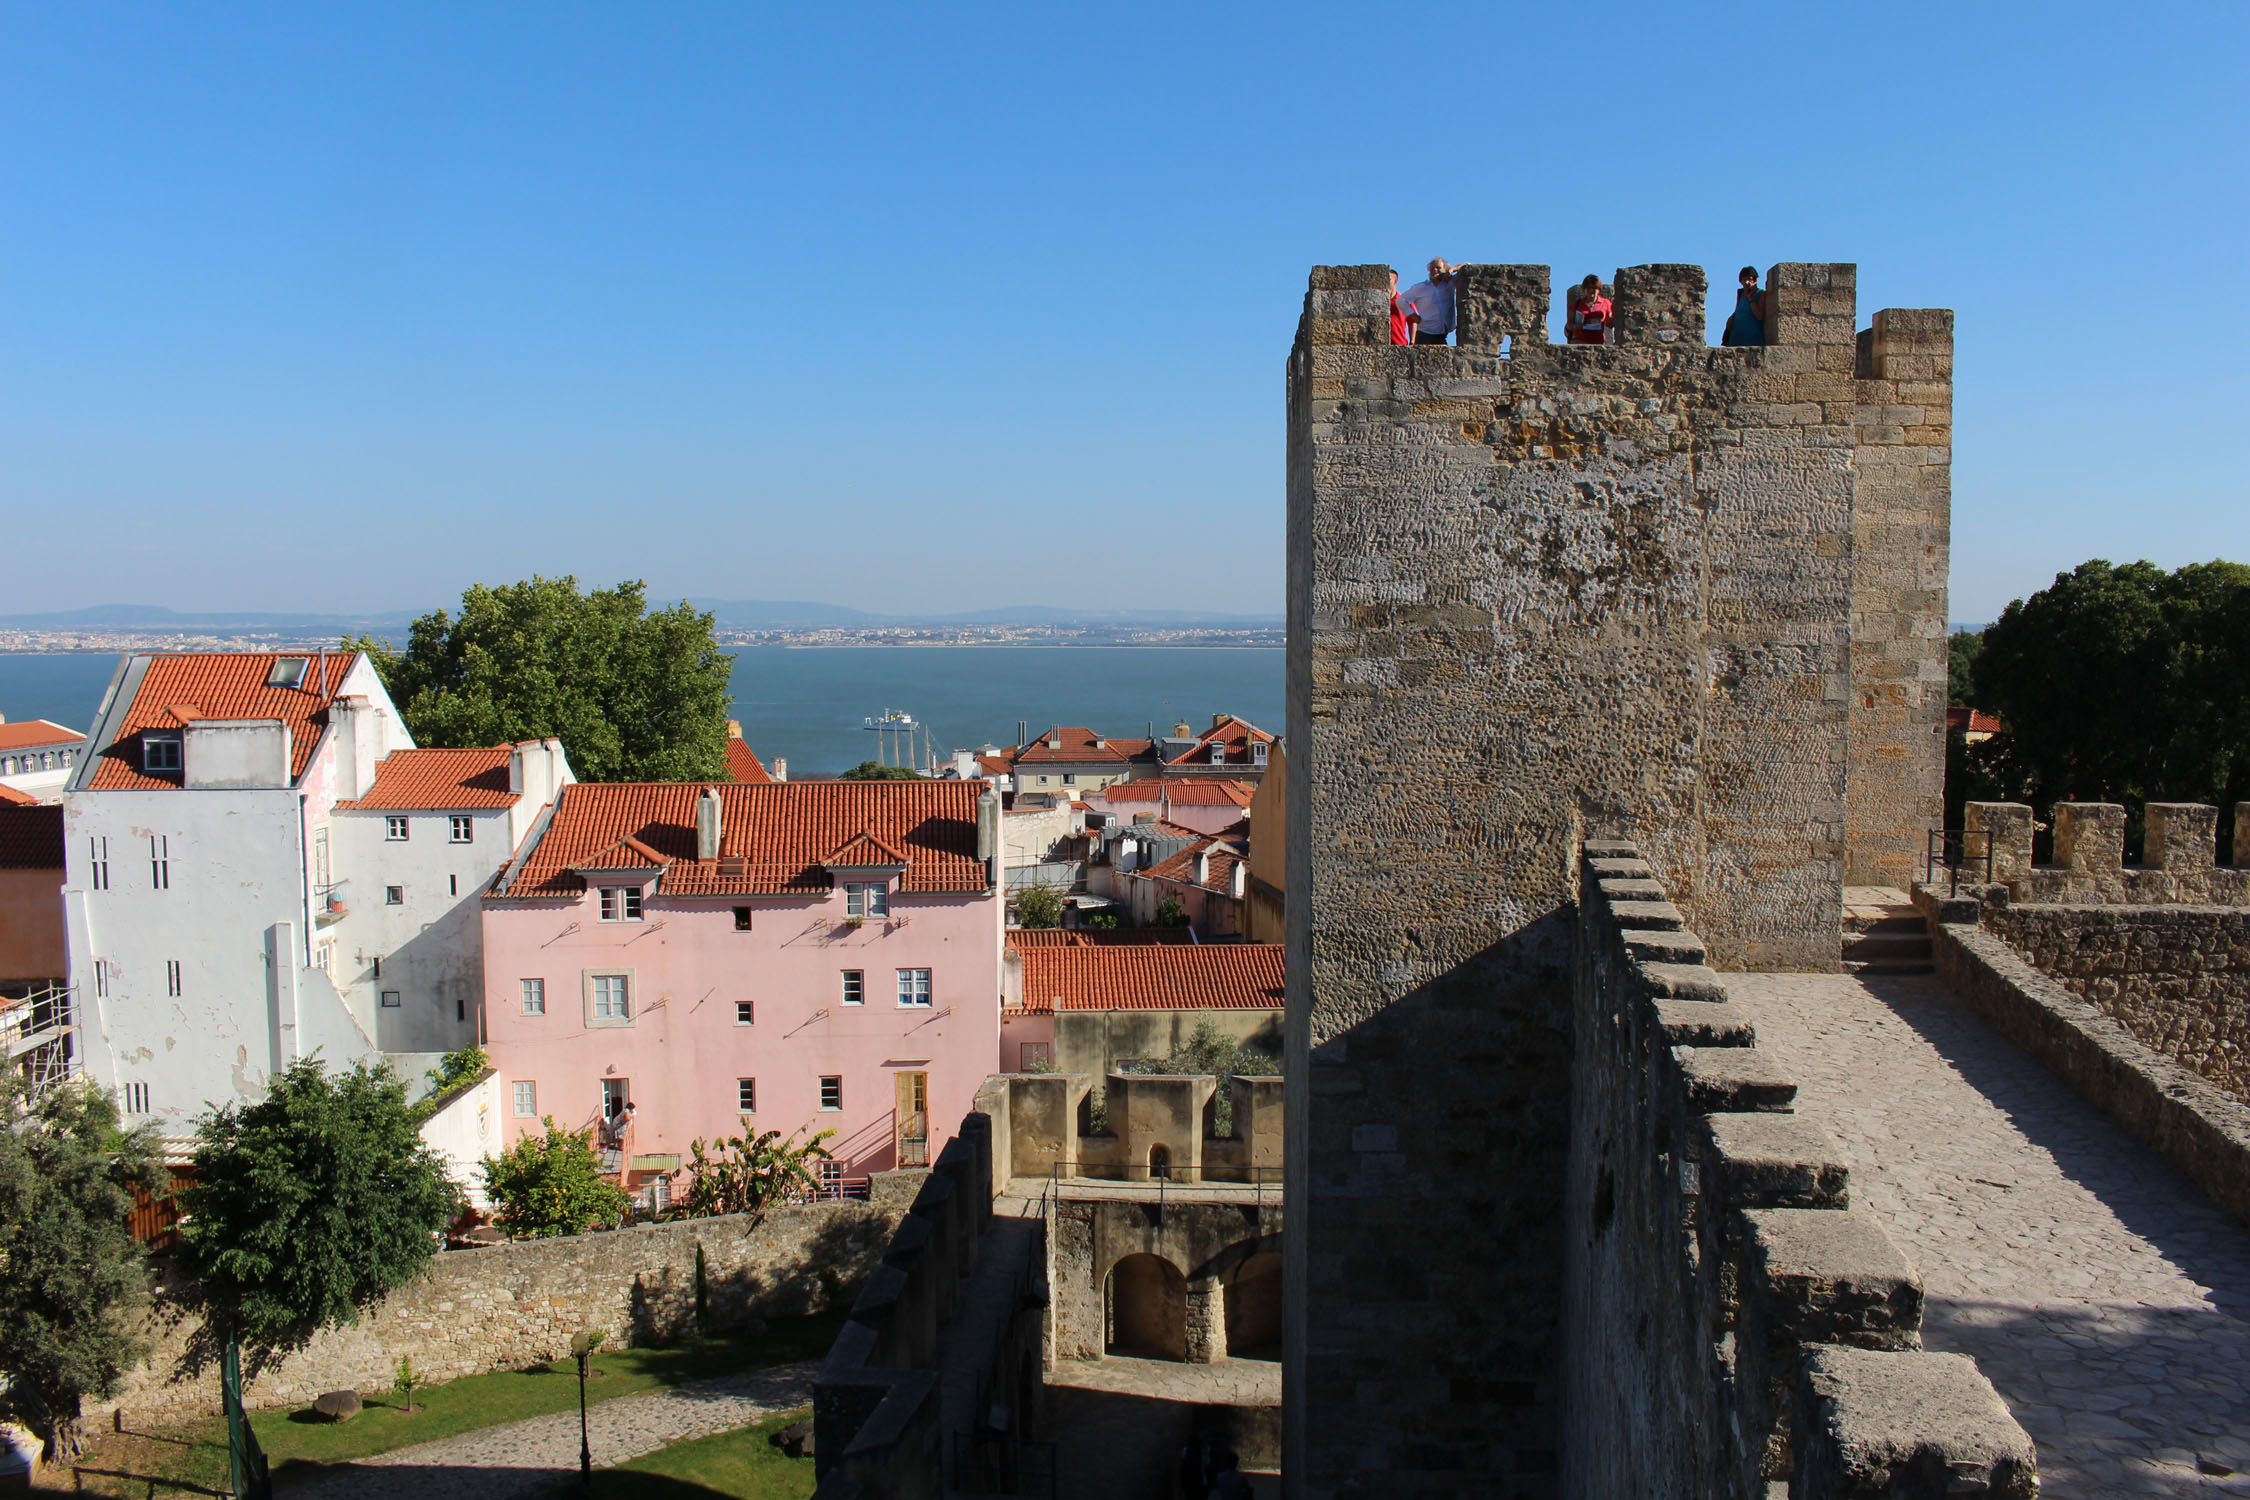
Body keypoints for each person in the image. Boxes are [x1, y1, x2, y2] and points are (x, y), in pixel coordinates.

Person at [1401, 258, 1457, 345]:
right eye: (1432, 268)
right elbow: (1401, 300)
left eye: (1438, 267)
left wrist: (1452, 269)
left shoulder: (1449, 284)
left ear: (1445, 269)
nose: (1434, 270)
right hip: (1425, 334)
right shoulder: (1421, 287)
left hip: (1442, 335)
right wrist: (1412, 315)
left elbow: (1467, 266)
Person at [1723, 265, 1766, 346]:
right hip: (1737, 335)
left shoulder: (1761, 293)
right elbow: (1737, 311)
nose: (1747, 282)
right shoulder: (1740, 294)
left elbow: (1760, 316)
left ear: (1755, 280)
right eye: (1744, 279)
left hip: (1752, 336)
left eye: (1749, 279)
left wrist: (1751, 300)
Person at [1565, 273, 1611, 344]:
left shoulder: (1606, 303)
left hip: (1598, 343)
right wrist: (1577, 326)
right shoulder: (1577, 304)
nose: (1591, 290)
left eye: (1594, 288)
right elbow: (1569, 324)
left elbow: (1610, 323)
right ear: (1584, 289)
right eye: (1588, 288)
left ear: (1599, 290)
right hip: (1580, 342)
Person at [1388, 269, 1419, 346]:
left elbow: (1413, 321)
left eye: (1389, 279)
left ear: (1395, 281)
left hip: (1399, 343)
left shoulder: (1404, 301)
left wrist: (1412, 341)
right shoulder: (1378, 302)